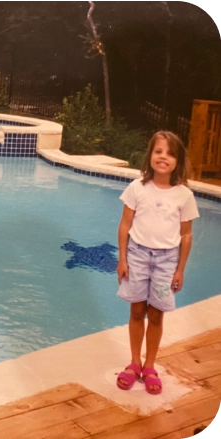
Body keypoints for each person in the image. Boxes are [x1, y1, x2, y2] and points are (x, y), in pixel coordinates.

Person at [115, 130, 199, 395]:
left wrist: (180, 269)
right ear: (150, 155)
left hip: (166, 262)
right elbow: (125, 225)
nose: (164, 157)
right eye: (159, 151)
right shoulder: (137, 188)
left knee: (157, 313)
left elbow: (186, 234)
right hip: (138, 257)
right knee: (137, 310)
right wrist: (123, 258)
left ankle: (150, 365)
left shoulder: (184, 195)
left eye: (171, 153)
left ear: (178, 161)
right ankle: (134, 362)